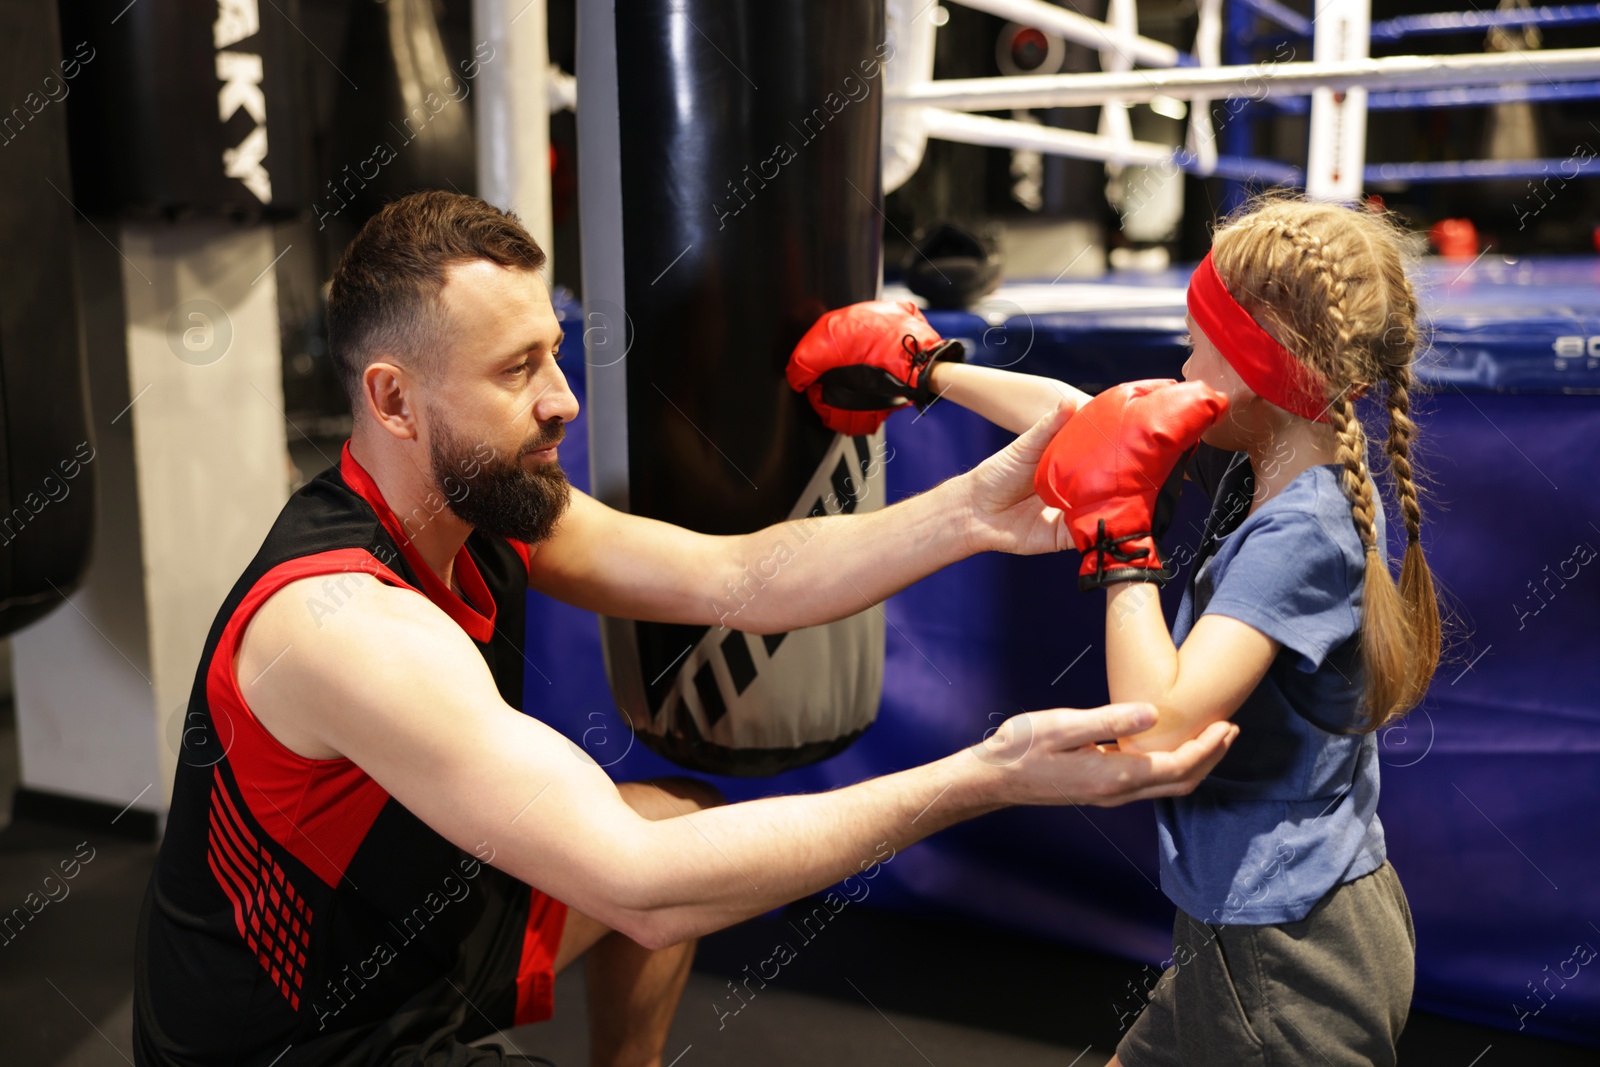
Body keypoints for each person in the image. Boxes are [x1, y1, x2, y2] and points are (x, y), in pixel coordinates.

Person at [132, 190, 1236, 1067]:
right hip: (305, 1041)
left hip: (408, 933)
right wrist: (984, 776)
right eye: (518, 369)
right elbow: (639, 883)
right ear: (393, 398)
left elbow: (739, 577)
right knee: (649, 862)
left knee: (678, 805)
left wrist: (969, 511)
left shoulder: (483, 503)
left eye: (552, 352)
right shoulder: (343, 625)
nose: (562, 397)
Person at [811, 195, 1437, 1067]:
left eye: (1197, 346)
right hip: (1257, 922)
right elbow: (1082, 414)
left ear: (1254, 367)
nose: (1181, 364)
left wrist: (1121, 541)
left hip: (1284, 954)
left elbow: (1162, 720)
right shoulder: (1283, 463)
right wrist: (926, 368)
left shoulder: (1302, 534)